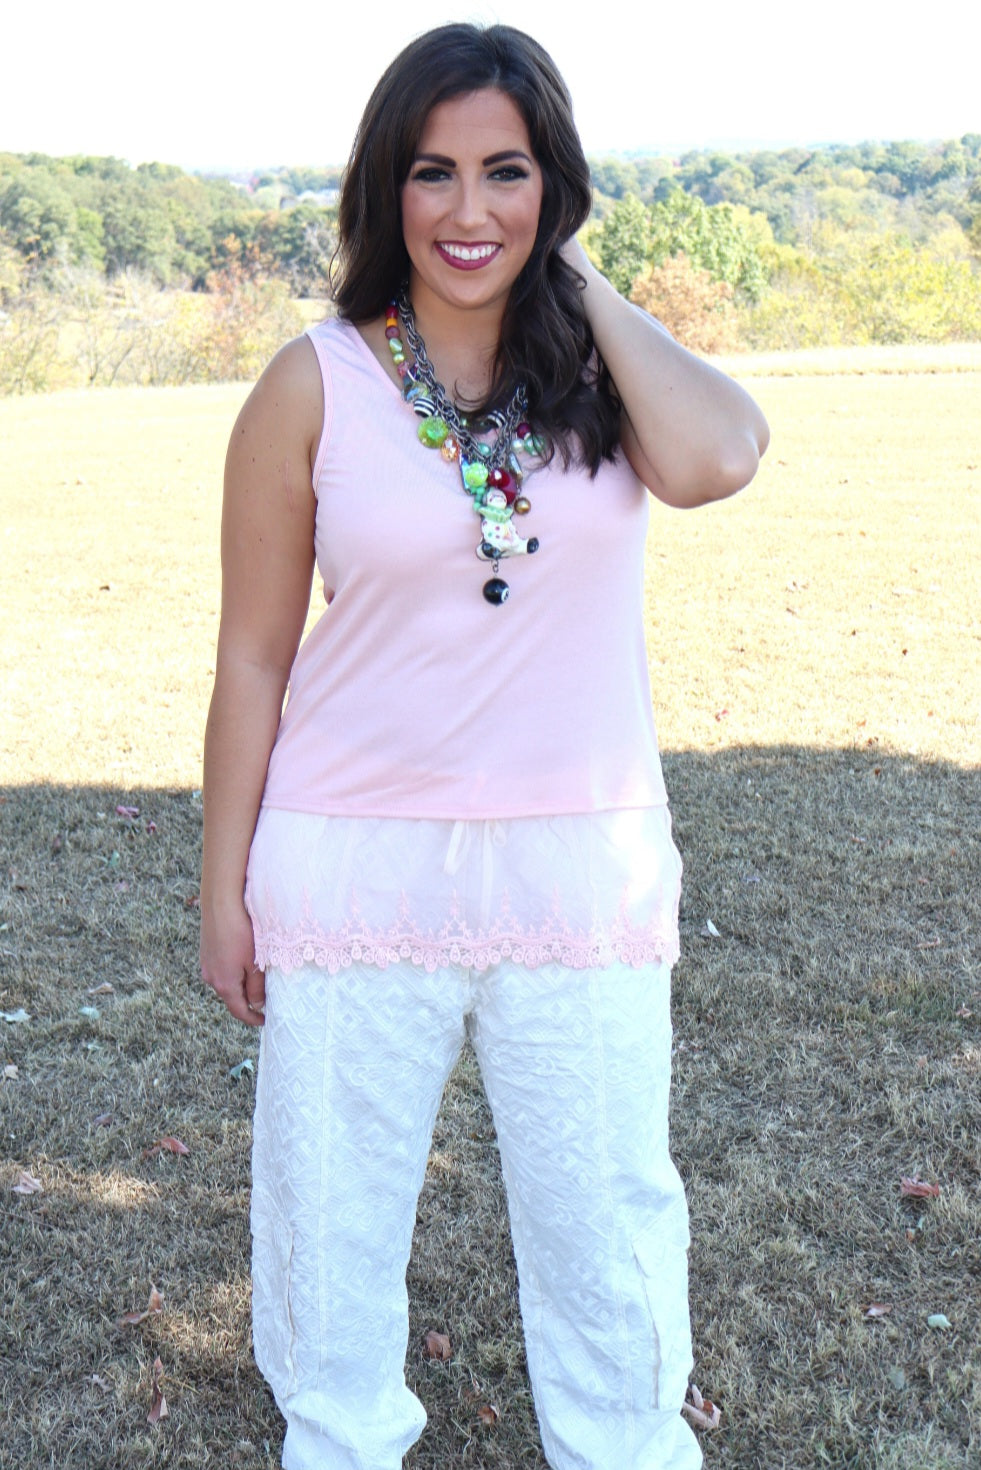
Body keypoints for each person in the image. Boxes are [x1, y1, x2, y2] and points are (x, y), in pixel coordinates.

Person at [200, 21, 768, 1470]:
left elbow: (719, 457)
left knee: (604, 1216)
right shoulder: (312, 382)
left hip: (577, 863)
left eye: (506, 174)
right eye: (434, 174)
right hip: (352, 861)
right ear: (385, 189)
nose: (468, 212)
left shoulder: (600, 375)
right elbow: (255, 651)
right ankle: (335, 1444)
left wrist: (569, 272)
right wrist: (224, 888)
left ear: (552, 185)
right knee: (329, 1220)